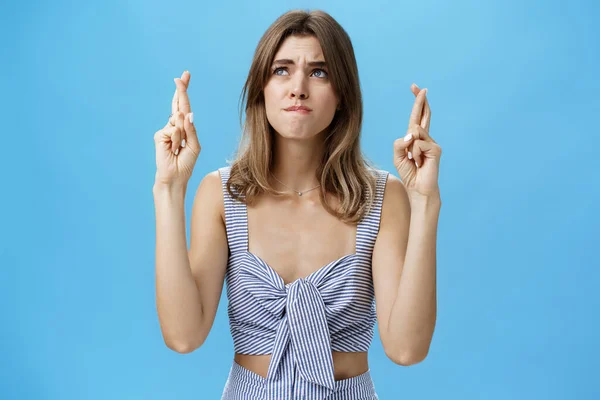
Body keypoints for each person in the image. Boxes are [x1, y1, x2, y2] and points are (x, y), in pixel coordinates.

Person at [153, 9, 441, 400]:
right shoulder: (222, 194)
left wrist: (424, 201)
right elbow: (183, 337)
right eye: (282, 70)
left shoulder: (382, 197)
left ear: (343, 95)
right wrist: (169, 189)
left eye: (319, 72)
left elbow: (407, 350)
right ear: (261, 89)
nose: (298, 88)